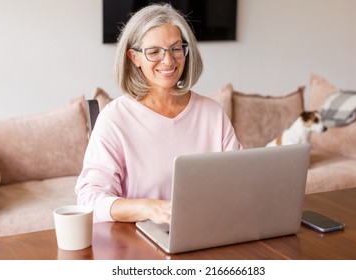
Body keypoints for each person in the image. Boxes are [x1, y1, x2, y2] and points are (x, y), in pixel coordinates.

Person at [75, 3, 241, 225]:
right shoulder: (115, 118)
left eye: (176, 48)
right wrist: (148, 208)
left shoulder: (212, 113)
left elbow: (239, 182)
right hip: (138, 239)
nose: (168, 60)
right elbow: (89, 200)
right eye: (154, 52)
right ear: (134, 58)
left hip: (206, 230)